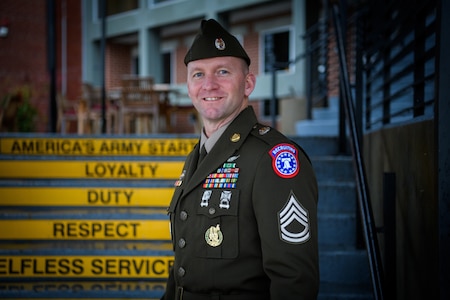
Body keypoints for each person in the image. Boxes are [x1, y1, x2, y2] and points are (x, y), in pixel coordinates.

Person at [162, 19, 319, 300]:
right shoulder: (196, 157)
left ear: (248, 83)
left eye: (222, 72)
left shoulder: (272, 158)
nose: (208, 85)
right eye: (198, 74)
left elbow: (294, 282)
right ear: (188, 87)